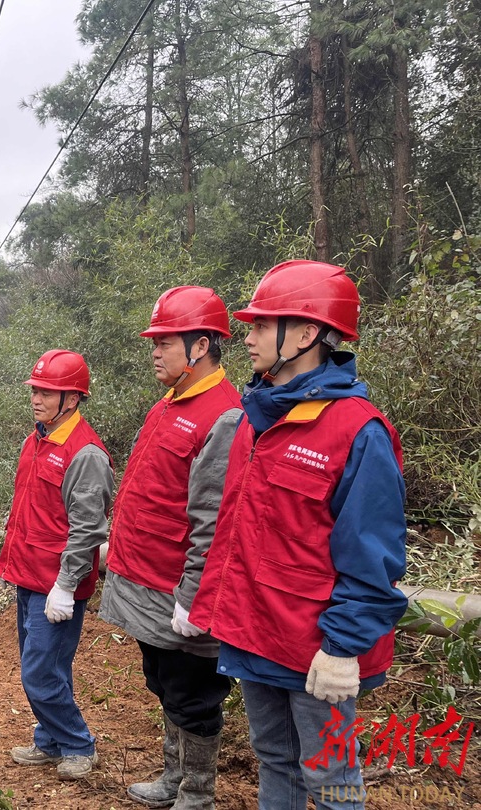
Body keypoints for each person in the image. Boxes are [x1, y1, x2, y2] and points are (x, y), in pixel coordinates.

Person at [188, 261, 408, 809]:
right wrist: (209, 607)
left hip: (316, 646)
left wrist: (342, 647)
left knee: (332, 778)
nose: (249, 336)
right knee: (275, 759)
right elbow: (237, 532)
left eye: (264, 325)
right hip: (255, 630)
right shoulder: (256, 419)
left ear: (306, 333)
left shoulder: (357, 430)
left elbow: (373, 554)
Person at [99, 287, 241, 809]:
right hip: (145, 578)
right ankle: (173, 777)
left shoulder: (223, 416)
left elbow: (213, 520)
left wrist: (195, 593)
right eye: (153, 342)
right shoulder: (172, 404)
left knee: (193, 693)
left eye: (164, 341)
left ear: (200, 345)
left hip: (177, 586)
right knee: (162, 681)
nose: (154, 351)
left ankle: (197, 793)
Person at [0, 349, 114, 781]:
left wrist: (65, 586)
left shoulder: (86, 454)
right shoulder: (38, 438)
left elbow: (88, 529)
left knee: (40, 672)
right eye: (35, 390)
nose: (37, 398)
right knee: (45, 665)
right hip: (27, 575)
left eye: (47, 391)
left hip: (55, 585)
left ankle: (79, 744)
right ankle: (49, 741)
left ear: (73, 399)